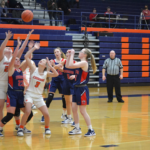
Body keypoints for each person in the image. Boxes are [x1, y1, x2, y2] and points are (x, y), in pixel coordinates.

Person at [17, 43, 58, 136]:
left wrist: (51, 66)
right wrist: (34, 48)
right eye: (41, 60)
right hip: (29, 94)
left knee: (46, 114)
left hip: (38, 96)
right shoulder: (33, 68)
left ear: (45, 65)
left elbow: (56, 74)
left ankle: (47, 128)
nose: (41, 61)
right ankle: (21, 128)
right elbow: (26, 56)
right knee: (27, 111)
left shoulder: (46, 73)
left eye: (43, 61)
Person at [0, 30, 34, 132]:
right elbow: (1, 49)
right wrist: (7, 39)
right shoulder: (2, 58)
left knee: (17, 107)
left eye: (10, 48)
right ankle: (0, 128)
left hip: (13, 86)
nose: (9, 49)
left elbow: (22, 48)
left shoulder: (15, 60)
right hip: (2, 85)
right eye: (7, 48)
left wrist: (27, 37)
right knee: (1, 107)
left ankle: (19, 126)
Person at [66, 48, 96, 136]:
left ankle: (91, 130)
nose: (79, 52)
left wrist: (72, 54)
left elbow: (71, 64)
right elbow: (68, 65)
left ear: (85, 55)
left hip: (82, 89)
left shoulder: (84, 63)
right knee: (74, 110)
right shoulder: (80, 64)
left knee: (82, 111)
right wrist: (68, 56)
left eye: (81, 52)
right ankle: (77, 128)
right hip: (76, 88)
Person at [41, 47, 67, 123]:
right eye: (55, 52)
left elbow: (66, 71)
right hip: (55, 81)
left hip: (63, 80)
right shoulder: (52, 61)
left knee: (64, 98)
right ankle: (44, 115)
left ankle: (64, 114)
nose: (56, 53)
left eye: (57, 51)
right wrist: (52, 66)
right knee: (50, 97)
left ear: (60, 53)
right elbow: (48, 72)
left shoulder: (64, 61)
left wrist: (59, 68)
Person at [55, 50, 75, 125]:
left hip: (72, 83)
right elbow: (58, 68)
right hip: (65, 82)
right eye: (67, 53)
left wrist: (75, 75)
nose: (68, 54)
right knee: (67, 102)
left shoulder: (75, 62)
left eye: (69, 53)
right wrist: (54, 65)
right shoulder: (64, 62)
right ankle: (69, 117)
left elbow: (79, 72)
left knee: (72, 102)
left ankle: (73, 118)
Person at [22, 40, 37, 109]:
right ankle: (24, 102)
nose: (31, 56)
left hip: (30, 76)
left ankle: (30, 103)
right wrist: (30, 48)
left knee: (30, 90)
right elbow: (21, 69)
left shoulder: (32, 62)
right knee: (26, 90)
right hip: (25, 76)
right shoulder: (24, 61)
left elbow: (34, 70)